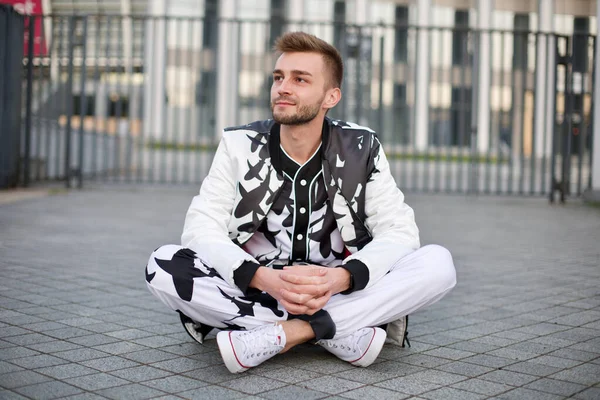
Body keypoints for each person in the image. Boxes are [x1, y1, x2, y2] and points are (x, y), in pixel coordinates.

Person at [145, 31, 456, 374]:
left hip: (339, 290)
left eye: (300, 79)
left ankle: (287, 333)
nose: (283, 88)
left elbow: (398, 231)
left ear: (330, 96)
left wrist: (337, 280)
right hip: (259, 289)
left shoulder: (361, 147)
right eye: (278, 77)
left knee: (438, 264)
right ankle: (335, 331)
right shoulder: (238, 144)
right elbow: (202, 227)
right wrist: (265, 279)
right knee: (161, 264)